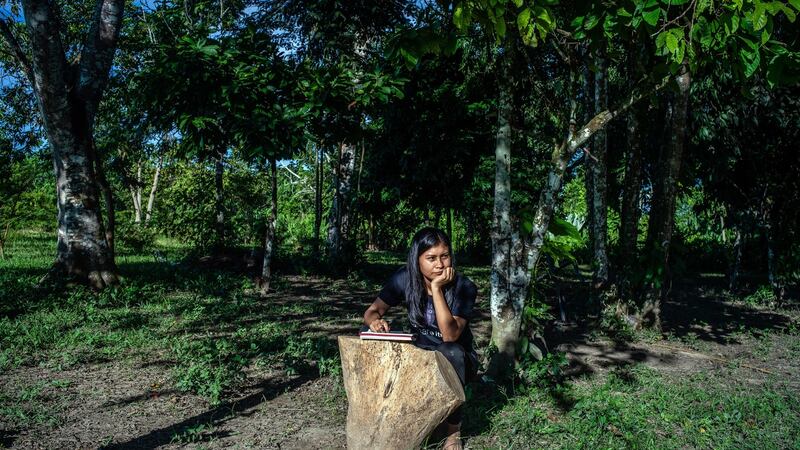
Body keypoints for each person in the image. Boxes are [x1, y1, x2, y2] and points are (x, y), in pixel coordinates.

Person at [363, 227, 478, 450]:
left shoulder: (464, 287)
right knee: (370, 334)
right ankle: (381, 412)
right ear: (417, 260)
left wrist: (436, 288)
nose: (440, 264)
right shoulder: (404, 278)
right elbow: (372, 311)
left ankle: (453, 431)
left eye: (445, 256)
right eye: (431, 258)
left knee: (450, 350)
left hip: (458, 361)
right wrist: (374, 322)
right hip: (418, 352)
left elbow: (450, 335)